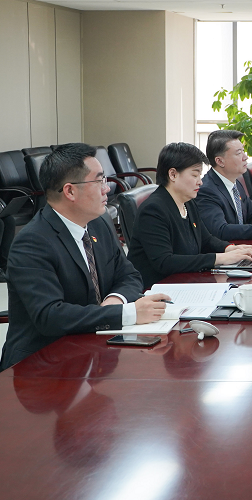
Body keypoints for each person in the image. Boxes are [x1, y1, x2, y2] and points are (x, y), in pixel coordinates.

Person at [1, 143, 169, 370]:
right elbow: (50, 316)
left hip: (93, 353)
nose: (107, 188)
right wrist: (126, 313)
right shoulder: (32, 243)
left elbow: (129, 275)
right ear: (70, 191)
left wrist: (115, 301)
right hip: (41, 366)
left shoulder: (98, 223)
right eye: (99, 181)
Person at [127, 143, 252, 288]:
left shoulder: (188, 202)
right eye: (195, 175)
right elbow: (165, 262)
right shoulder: (153, 210)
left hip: (186, 281)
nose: (200, 182)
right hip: (157, 289)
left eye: (200, 175)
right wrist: (220, 258)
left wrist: (230, 248)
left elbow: (206, 239)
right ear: (173, 174)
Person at [194, 130, 252, 241]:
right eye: (239, 153)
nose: (245, 157)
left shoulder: (235, 183)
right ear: (220, 161)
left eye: (243, 151)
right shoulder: (206, 191)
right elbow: (220, 230)